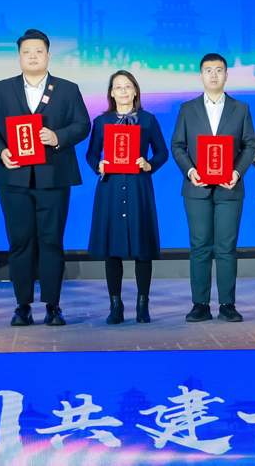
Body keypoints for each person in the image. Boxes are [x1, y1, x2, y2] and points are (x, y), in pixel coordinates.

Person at [0, 29, 91, 327]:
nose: (32, 56)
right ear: (19, 57)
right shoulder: (2, 88)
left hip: (54, 176)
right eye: (27, 52)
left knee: (51, 241)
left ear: (48, 55)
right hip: (14, 177)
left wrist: (58, 137)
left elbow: (83, 124)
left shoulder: (67, 89)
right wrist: (1, 152)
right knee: (20, 242)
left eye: (38, 51)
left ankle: (53, 305)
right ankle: (22, 305)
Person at [170, 53, 255, 323]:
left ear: (226, 75)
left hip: (229, 188)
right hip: (196, 188)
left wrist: (236, 173)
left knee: (226, 247)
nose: (213, 75)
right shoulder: (188, 108)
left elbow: (250, 145)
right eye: (208, 70)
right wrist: (191, 171)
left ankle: (228, 304)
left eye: (218, 70)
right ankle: (200, 304)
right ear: (200, 76)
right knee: (199, 246)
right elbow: (178, 146)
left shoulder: (240, 108)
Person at [85, 71, 168, 324]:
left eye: (128, 86)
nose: (123, 91)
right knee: (112, 250)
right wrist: (98, 165)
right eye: (118, 87)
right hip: (110, 187)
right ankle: (116, 305)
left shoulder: (148, 120)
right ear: (111, 93)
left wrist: (149, 164)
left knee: (142, 249)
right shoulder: (101, 121)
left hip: (138, 186)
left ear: (135, 91)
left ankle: (143, 305)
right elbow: (91, 154)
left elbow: (162, 152)